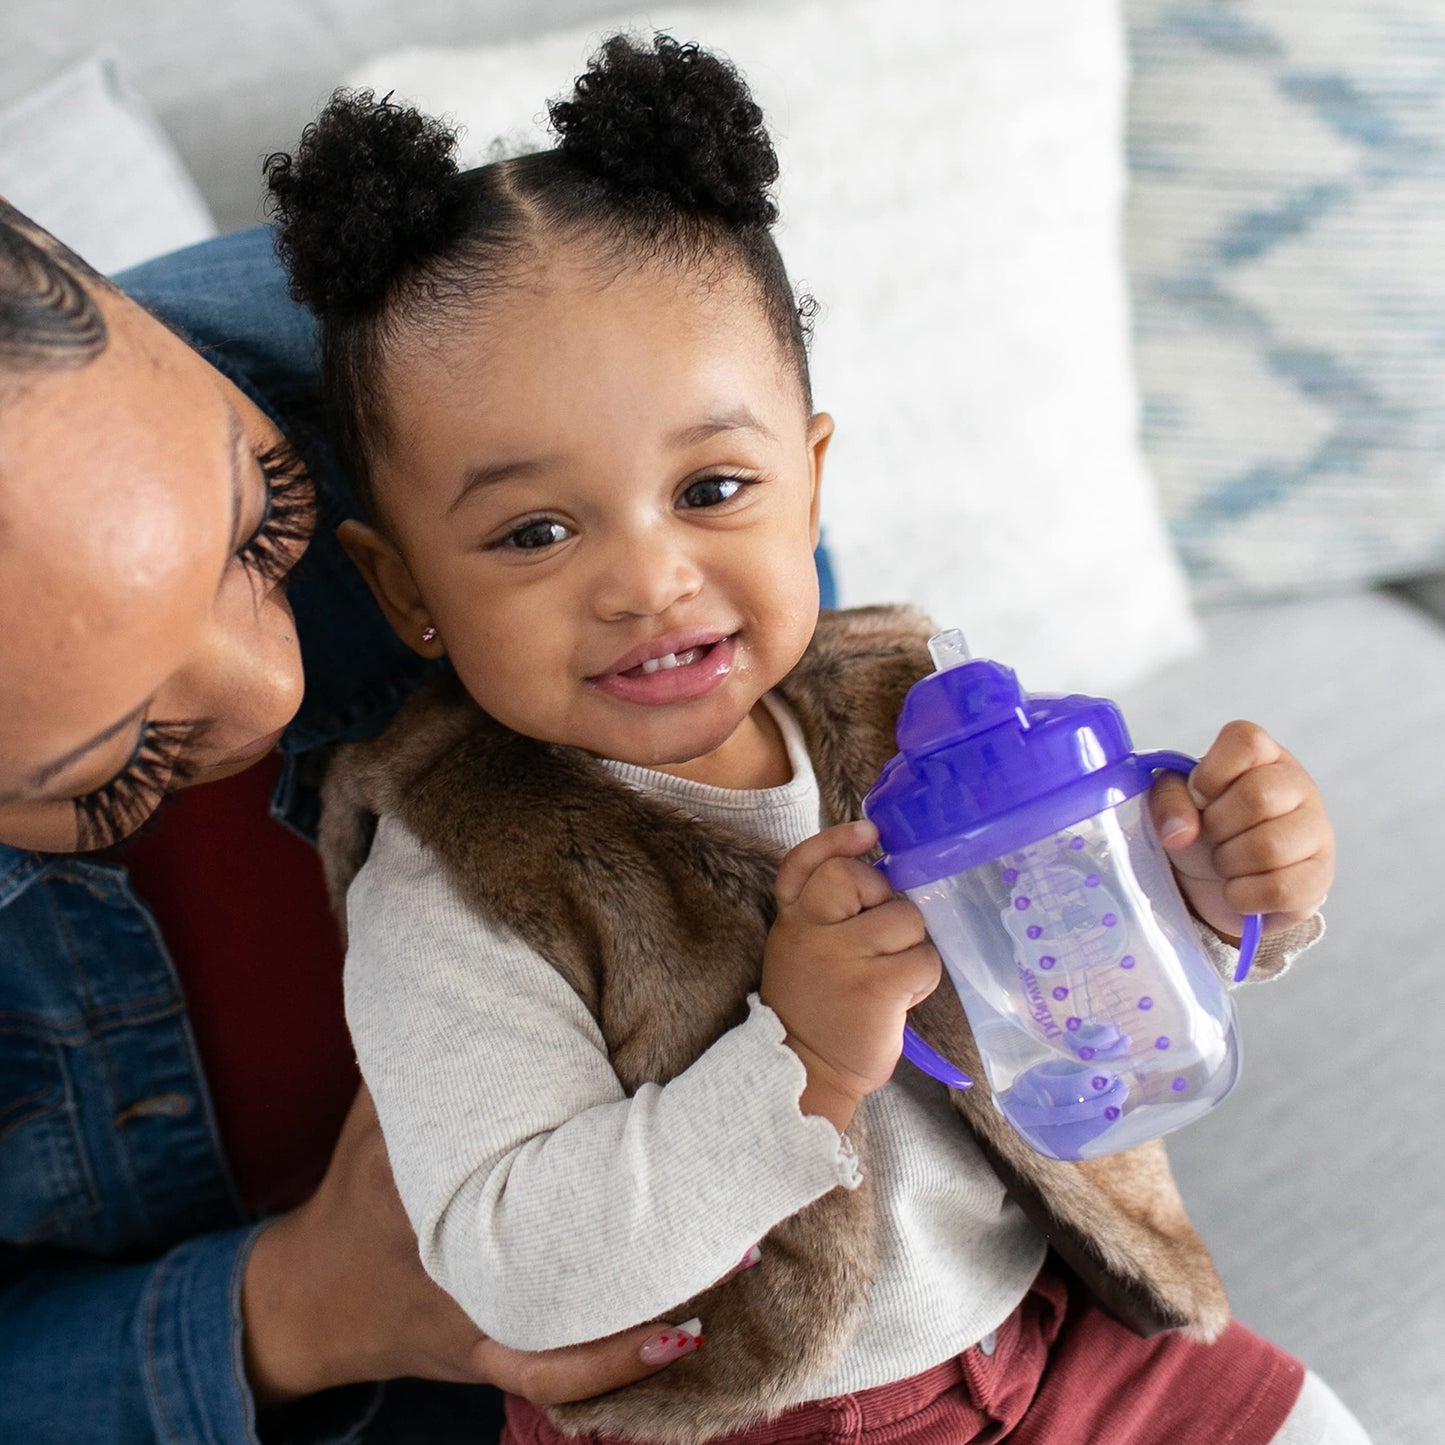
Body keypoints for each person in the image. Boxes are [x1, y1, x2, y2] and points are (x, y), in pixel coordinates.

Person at [263, 33, 1365, 1445]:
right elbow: (516, 1265)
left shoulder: (913, 705)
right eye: (536, 529)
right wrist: (799, 1056)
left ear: (811, 482)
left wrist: (1216, 891)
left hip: (1054, 1335)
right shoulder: (462, 883)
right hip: (743, 1422)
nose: (647, 578)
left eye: (714, 485)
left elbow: (1080, 981)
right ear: (407, 586)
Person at [0, 198, 707, 1441]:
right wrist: (304, 1308)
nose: (274, 690)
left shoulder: (482, 350)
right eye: (110, 757)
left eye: (249, 518)